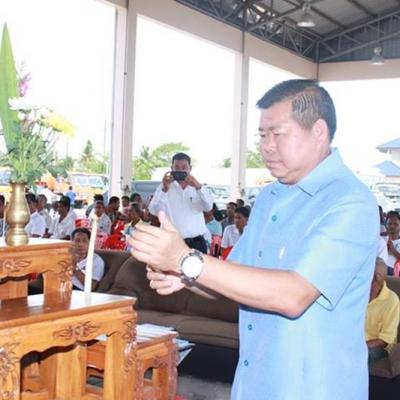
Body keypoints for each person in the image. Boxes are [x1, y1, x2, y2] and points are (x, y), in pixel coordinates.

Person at [128, 79, 379, 400]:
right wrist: (183, 275)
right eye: (262, 136)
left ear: (318, 131)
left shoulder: (350, 201)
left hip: (312, 388)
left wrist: (186, 259)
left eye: (278, 134)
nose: (266, 146)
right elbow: (232, 277)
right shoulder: (270, 197)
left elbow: (294, 295)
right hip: (254, 382)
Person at [148, 152, 214, 253]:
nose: (180, 171)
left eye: (184, 168)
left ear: (190, 168)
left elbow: (208, 207)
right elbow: (153, 211)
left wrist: (198, 186)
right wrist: (164, 190)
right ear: (171, 168)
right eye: (177, 167)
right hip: (171, 243)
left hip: (196, 243)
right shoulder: (164, 187)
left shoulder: (198, 187)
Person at [366, 257, 400, 364]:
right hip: (353, 343)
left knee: (364, 354)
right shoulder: (357, 294)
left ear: (378, 280)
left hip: (378, 348)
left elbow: (384, 340)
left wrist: (359, 347)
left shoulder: (391, 300)